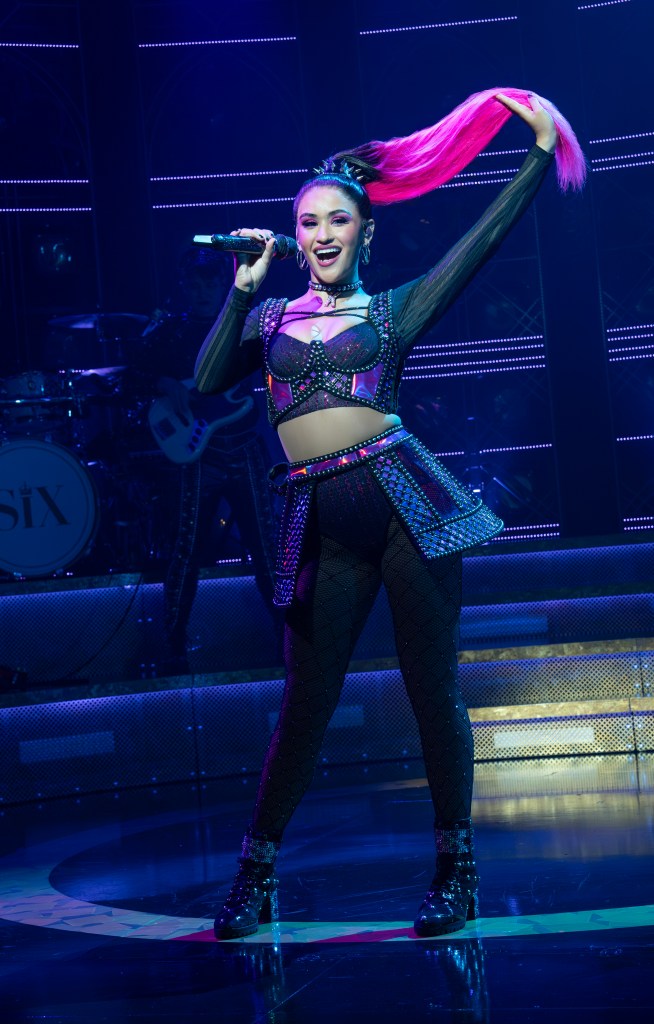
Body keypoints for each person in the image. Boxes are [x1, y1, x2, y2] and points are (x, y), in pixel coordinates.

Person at [194, 88, 585, 938]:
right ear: (295, 238)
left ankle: (457, 871)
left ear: (365, 231)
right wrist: (239, 290)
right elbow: (203, 381)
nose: (323, 235)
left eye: (338, 220)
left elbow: (478, 246)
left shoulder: (394, 308)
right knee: (304, 704)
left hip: (406, 506)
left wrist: (535, 156)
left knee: (429, 688)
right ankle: (254, 877)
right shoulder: (268, 318)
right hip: (320, 526)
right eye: (309, 223)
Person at [133, 247, 278, 673]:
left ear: (222, 286)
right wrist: (160, 380)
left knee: (266, 549)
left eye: (208, 283)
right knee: (186, 549)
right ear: (183, 287)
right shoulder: (169, 333)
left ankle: (291, 640)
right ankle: (174, 645)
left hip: (245, 445)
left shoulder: (245, 327)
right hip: (199, 455)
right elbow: (127, 376)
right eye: (192, 285)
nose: (200, 292)